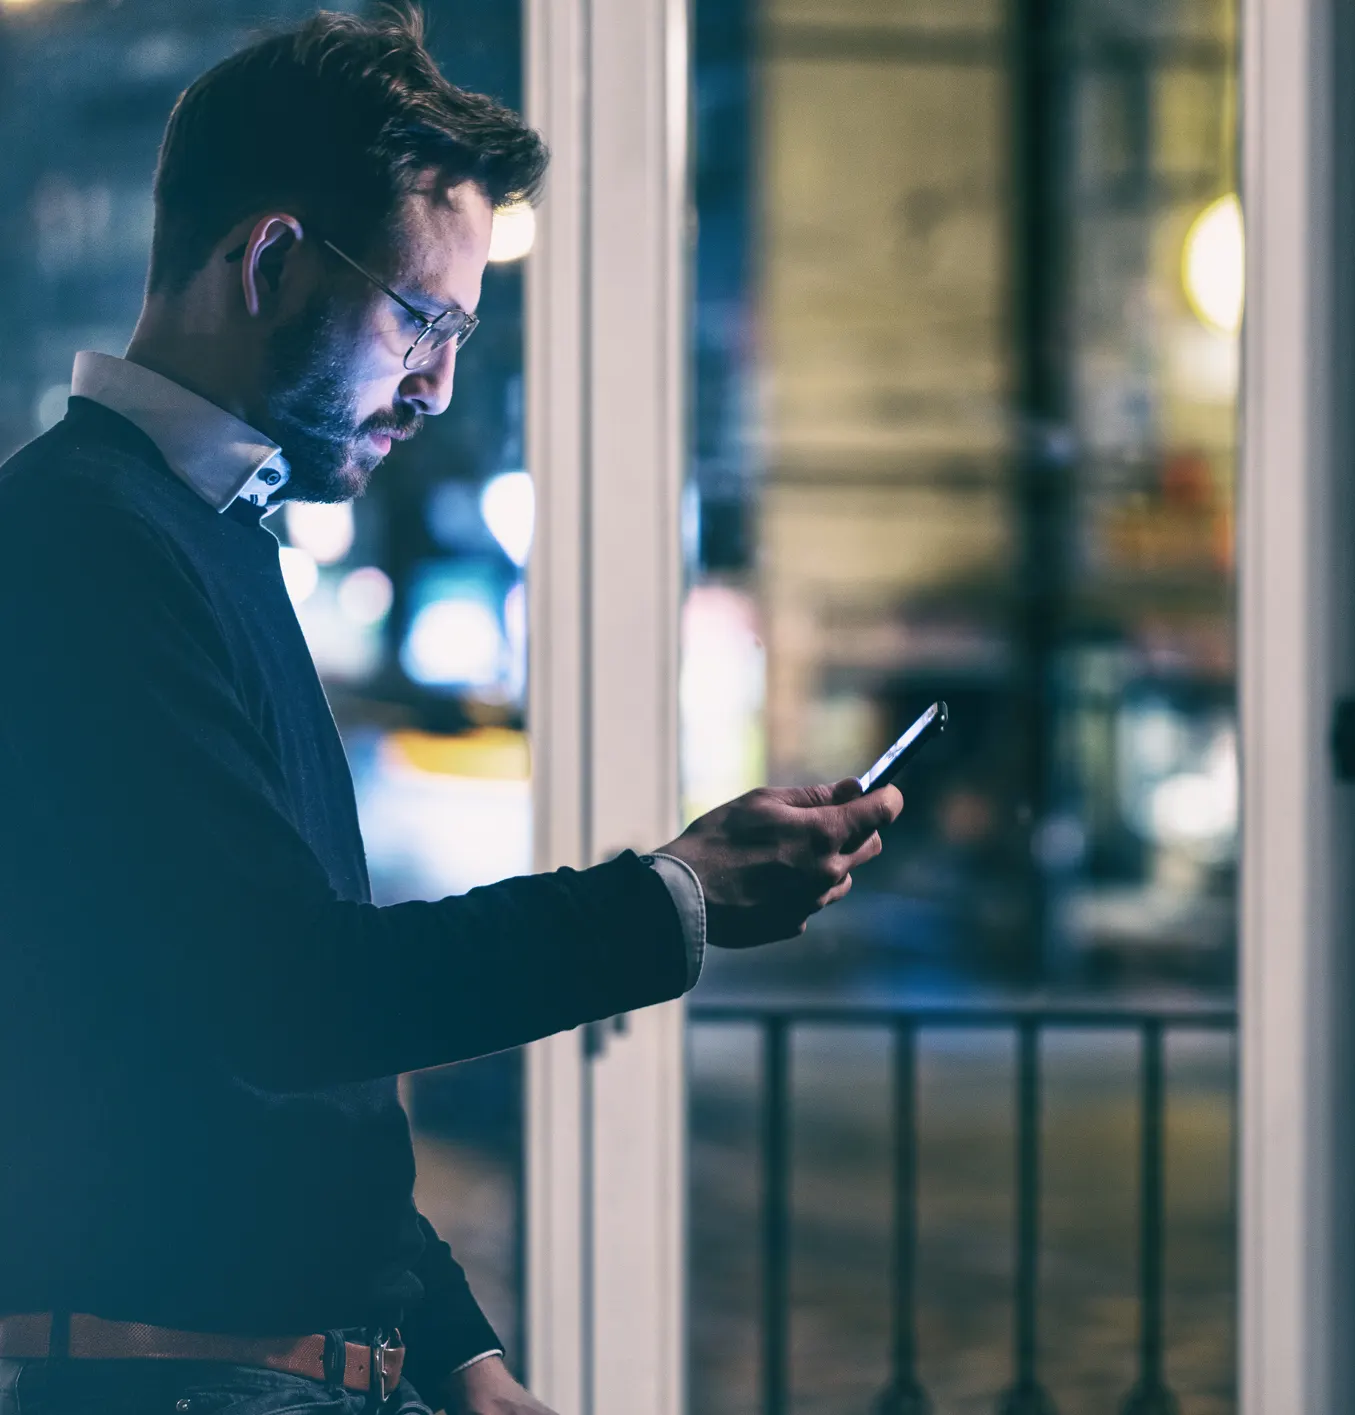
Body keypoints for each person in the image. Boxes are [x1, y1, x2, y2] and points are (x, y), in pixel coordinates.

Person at [0, 10, 903, 1415]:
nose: (437, 385)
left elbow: (297, 1086)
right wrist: (673, 896)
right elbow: (292, 997)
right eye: (422, 319)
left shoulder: (199, 537)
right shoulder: (84, 545)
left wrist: (451, 1353)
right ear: (272, 261)